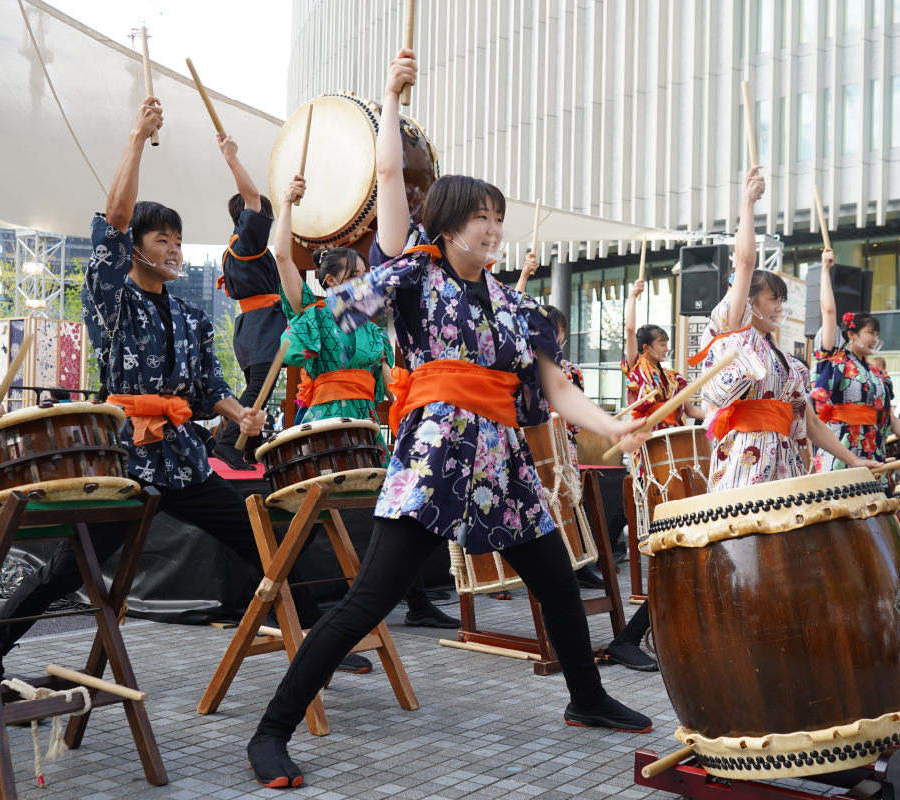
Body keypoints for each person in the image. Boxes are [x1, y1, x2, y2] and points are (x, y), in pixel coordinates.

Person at [244, 48, 653, 790]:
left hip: (502, 461)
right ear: (449, 222)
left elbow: (556, 391)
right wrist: (392, 100)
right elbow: (393, 178)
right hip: (435, 455)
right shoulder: (415, 272)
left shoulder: (519, 308)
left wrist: (614, 425)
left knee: (559, 582)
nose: (492, 227)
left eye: (498, 216)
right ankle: (271, 732)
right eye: (480, 216)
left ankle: (585, 698)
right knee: (371, 597)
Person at [0, 97, 372, 674]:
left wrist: (238, 413)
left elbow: (206, 388)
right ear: (135, 250)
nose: (173, 248)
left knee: (269, 536)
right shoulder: (112, 300)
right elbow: (114, 221)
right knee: (69, 571)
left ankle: (317, 638)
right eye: (161, 239)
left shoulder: (191, 317)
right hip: (126, 460)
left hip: (183, 460)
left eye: (177, 238)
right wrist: (136, 138)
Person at [271, 175, 457, 629]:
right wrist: (286, 206)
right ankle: (287, 600)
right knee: (310, 517)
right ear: (330, 281)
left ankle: (415, 604)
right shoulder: (314, 314)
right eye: (353, 279)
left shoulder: (374, 330)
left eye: (365, 279)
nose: (363, 287)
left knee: (396, 511)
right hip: (325, 426)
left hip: (365, 428)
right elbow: (279, 254)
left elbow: (388, 387)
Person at [695, 167, 876, 489]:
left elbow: (810, 421)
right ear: (749, 300)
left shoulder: (788, 363)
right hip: (745, 459)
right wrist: (748, 204)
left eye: (781, 299)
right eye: (773, 298)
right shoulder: (735, 332)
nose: (779, 306)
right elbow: (746, 261)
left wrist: (854, 460)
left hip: (783, 459)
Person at [545, 304, 654, 671]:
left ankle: (577, 566)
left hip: (567, 445)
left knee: (570, 508)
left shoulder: (569, 369)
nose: (556, 334)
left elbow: (572, 403)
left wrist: (609, 427)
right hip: (535, 446)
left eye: (558, 328)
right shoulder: (523, 357)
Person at [810, 251, 900, 471]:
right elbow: (828, 312)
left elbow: (890, 419)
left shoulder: (877, 374)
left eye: (877, 334)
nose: (875, 339)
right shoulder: (836, 360)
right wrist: (825, 271)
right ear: (852, 334)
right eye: (871, 333)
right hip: (840, 449)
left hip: (871, 448)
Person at [209, 133, 286, 471]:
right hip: (262, 327)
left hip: (255, 327)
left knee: (261, 389)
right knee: (258, 388)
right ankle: (228, 444)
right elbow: (253, 198)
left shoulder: (240, 248)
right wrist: (231, 158)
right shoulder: (247, 243)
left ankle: (246, 444)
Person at [623, 278, 705, 430]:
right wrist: (633, 296)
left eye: (667, 344)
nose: (667, 349)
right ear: (646, 347)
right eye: (662, 344)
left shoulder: (673, 378)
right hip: (647, 438)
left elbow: (691, 410)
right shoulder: (636, 366)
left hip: (673, 438)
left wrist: (718, 416)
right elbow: (629, 330)